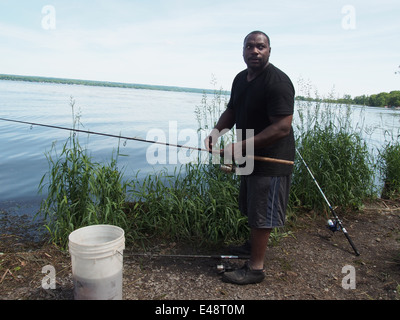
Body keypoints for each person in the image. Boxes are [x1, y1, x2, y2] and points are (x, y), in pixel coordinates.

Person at [204, 31, 295, 285]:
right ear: (243, 50)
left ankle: (256, 268)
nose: (254, 51)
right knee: (251, 205)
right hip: (248, 156)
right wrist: (215, 133)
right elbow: (232, 110)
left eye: (260, 46)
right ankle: (251, 245)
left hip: (273, 160)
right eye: (249, 46)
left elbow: (282, 128)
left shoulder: (278, 82)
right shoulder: (240, 79)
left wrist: (240, 146)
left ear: (269, 50)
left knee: (263, 212)